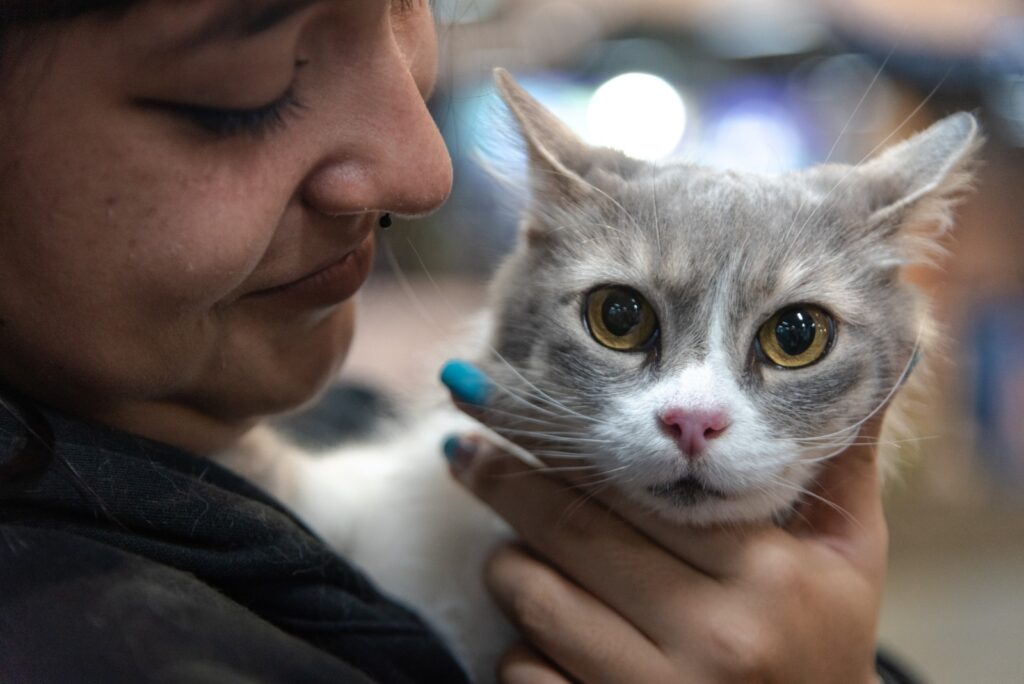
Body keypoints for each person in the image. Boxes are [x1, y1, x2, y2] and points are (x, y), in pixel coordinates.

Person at [0, 1, 915, 682]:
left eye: (411, 12)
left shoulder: (315, 427)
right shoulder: (82, 634)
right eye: (249, 90)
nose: (424, 169)